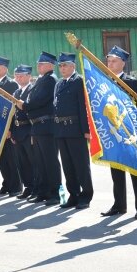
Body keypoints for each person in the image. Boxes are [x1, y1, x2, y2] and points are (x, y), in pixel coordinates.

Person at [101, 45, 137, 219]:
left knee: (135, 169)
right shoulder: (105, 81)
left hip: (129, 132)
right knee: (116, 169)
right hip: (113, 132)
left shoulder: (131, 81)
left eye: (114, 61)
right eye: (109, 61)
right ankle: (119, 205)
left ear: (123, 63)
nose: (110, 64)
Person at [17, 52, 60, 206]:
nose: (39, 66)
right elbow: (32, 98)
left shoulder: (50, 80)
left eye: (42, 64)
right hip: (37, 126)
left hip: (47, 125)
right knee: (40, 162)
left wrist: (25, 106)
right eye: (38, 63)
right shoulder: (41, 80)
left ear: (50, 65)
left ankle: (55, 193)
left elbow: (40, 100)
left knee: (50, 162)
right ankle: (43, 192)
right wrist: (27, 104)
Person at [53, 52, 93, 209]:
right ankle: (73, 194)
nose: (62, 68)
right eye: (60, 66)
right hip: (61, 130)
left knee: (81, 164)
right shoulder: (59, 84)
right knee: (68, 165)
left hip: (75, 129)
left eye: (65, 65)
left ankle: (86, 195)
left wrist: (86, 130)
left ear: (73, 66)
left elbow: (83, 108)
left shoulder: (79, 81)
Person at [0, 56, 22, 196]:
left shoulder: (11, 84)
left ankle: (16, 186)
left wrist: (10, 128)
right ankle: (7, 184)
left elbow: (13, 108)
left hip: (8, 128)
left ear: (4, 68)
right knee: (1, 158)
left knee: (11, 158)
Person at [11, 64, 36, 199]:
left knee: (33, 161)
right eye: (16, 76)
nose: (18, 78)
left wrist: (33, 132)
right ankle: (28, 186)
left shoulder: (32, 90)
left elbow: (32, 112)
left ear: (29, 76)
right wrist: (13, 132)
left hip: (28, 129)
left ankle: (36, 187)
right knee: (22, 162)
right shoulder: (16, 92)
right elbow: (14, 113)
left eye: (21, 75)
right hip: (18, 130)